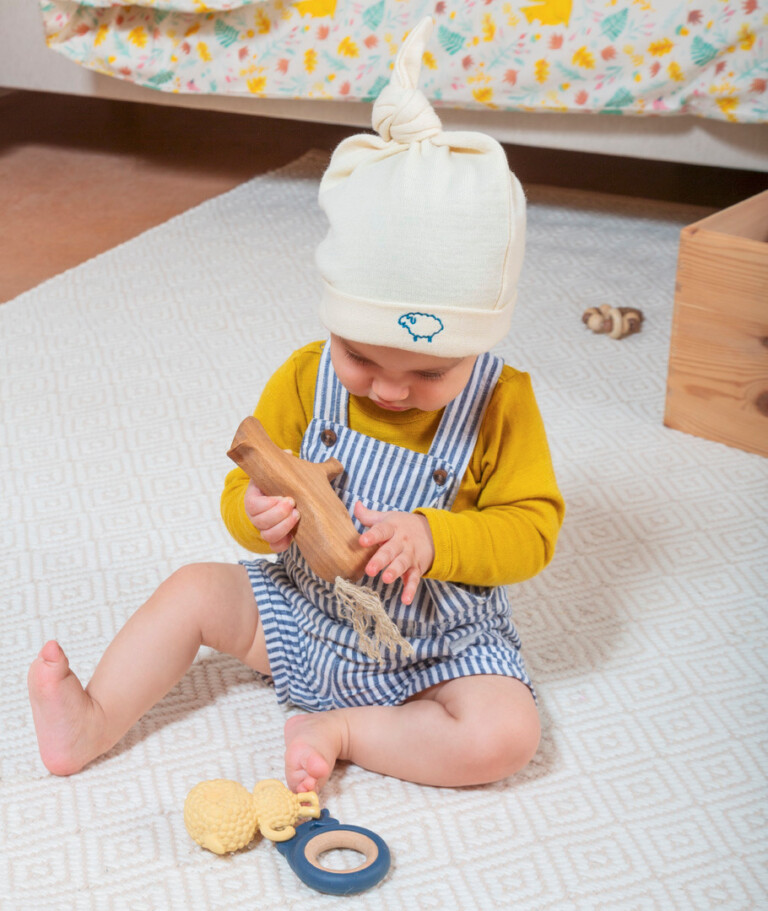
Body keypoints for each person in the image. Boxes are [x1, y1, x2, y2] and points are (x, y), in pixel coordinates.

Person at [28, 18, 564, 792]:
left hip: (432, 645)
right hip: (301, 612)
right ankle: (92, 717)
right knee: (193, 590)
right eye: (362, 356)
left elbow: (534, 530)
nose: (388, 388)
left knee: (505, 734)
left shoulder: (502, 402)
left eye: (427, 373)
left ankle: (345, 728)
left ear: (477, 349)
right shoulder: (305, 378)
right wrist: (260, 513)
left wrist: (435, 536)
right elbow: (239, 495)